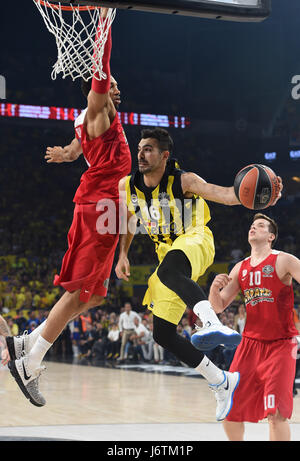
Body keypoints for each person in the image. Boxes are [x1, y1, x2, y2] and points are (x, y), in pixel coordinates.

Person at [6, 8, 132, 407]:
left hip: (107, 205)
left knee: (95, 296)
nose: (116, 86)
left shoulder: (86, 120)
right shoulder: (99, 109)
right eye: (109, 83)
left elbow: (82, 145)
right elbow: (102, 62)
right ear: (98, 88)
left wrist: (66, 153)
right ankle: (31, 360)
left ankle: (30, 340)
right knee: (80, 292)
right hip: (100, 205)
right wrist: (105, 18)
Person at [115, 128, 281, 421]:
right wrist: (123, 255)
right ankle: (221, 381)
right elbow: (129, 219)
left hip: (196, 239)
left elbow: (228, 196)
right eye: (140, 148)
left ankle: (211, 322)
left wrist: (262, 197)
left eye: (149, 149)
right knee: (163, 334)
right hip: (167, 257)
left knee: (169, 269)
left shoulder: (185, 181)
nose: (141, 154)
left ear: (165, 156)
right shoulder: (127, 186)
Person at [207, 213, 300, 441]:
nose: (253, 227)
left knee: (276, 413)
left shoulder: (284, 260)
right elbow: (218, 306)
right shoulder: (240, 268)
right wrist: (213, 290)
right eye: (251, 225)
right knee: (230, 409)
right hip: (249, 344)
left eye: (259, 225)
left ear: (271, 236)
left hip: (281, 344)